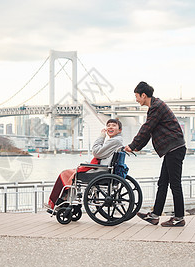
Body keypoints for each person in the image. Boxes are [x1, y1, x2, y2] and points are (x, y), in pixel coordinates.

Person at [125, 81, 187, 227]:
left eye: (137, 96)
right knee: (163, 183)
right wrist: (136, 147)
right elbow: (148, 131)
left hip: (175, 149)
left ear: (143, 95)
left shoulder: (156, 107)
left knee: (175, 184)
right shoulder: (155, 105)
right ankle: (154, 215)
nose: (136, 99)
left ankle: (179, 217)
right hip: (171, 149)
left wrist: (133, 145)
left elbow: (146, 129)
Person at [47, 119, 123, 210]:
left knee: (65, 173)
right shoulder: (117, 140)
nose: (110, 127)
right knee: (69, 174)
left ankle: (58, 202)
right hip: (106, 170)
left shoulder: (114, 141)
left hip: (101, 171)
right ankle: (63, 202)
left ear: (120, 130)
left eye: (114, 125)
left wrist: (101, 136)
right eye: (108, 125)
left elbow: (96, 152)